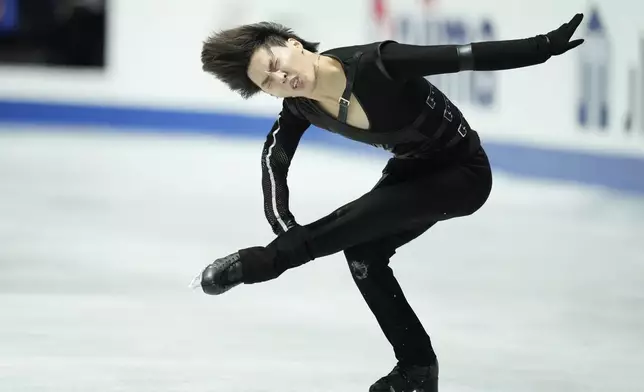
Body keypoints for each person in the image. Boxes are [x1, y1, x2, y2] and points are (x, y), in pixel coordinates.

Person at [192, 14, 585, 392]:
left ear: (294, 44)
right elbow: (274, 157)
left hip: (463, 173)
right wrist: (283, 222)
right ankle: (416, 368)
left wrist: (542, 47)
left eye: (276, 64)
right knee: (363, 253)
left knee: (358, 220)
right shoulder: (300, 104)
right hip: (412, 172)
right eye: (268, 82)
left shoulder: (377, 64)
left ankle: (268, 260)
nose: (282, 78)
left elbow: (465, 56)